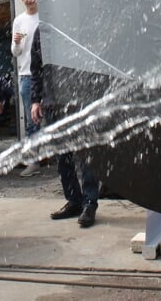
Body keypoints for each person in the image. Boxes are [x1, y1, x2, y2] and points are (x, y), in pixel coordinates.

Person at [30, 29, 101, 228]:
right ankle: (74, 200)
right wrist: (36, 100)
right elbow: (36, 68)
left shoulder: (77, 22)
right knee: (62, 155)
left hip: (81, 100)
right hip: (54, 102)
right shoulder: (41, 31)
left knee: (87, 153)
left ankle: (89, 203)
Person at [11, 0, 41, 176]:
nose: (30, 0)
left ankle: (42, 157)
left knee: (45, 116)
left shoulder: (44, 17)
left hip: (43, 73)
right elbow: (15, 52)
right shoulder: (19, 21)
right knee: (32, 120)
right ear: (21, 0)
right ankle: (35, 159)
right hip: (26, 74)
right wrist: (17, 43)